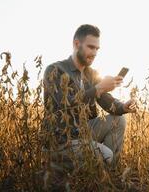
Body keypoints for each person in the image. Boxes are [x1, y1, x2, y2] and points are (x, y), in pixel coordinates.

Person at [42, 24, 136, 166]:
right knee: (106, 155)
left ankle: (107, 174)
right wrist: (98, 88)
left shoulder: (91, 74)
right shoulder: (55, 70)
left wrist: (124, 106)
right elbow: (64, 102)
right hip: (61, 139)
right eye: (91, 47)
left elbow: (107, 102)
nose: (94, 53)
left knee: (119, 120)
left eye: (97, 49)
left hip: (83, 132)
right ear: (76, 44)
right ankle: (75, 166)